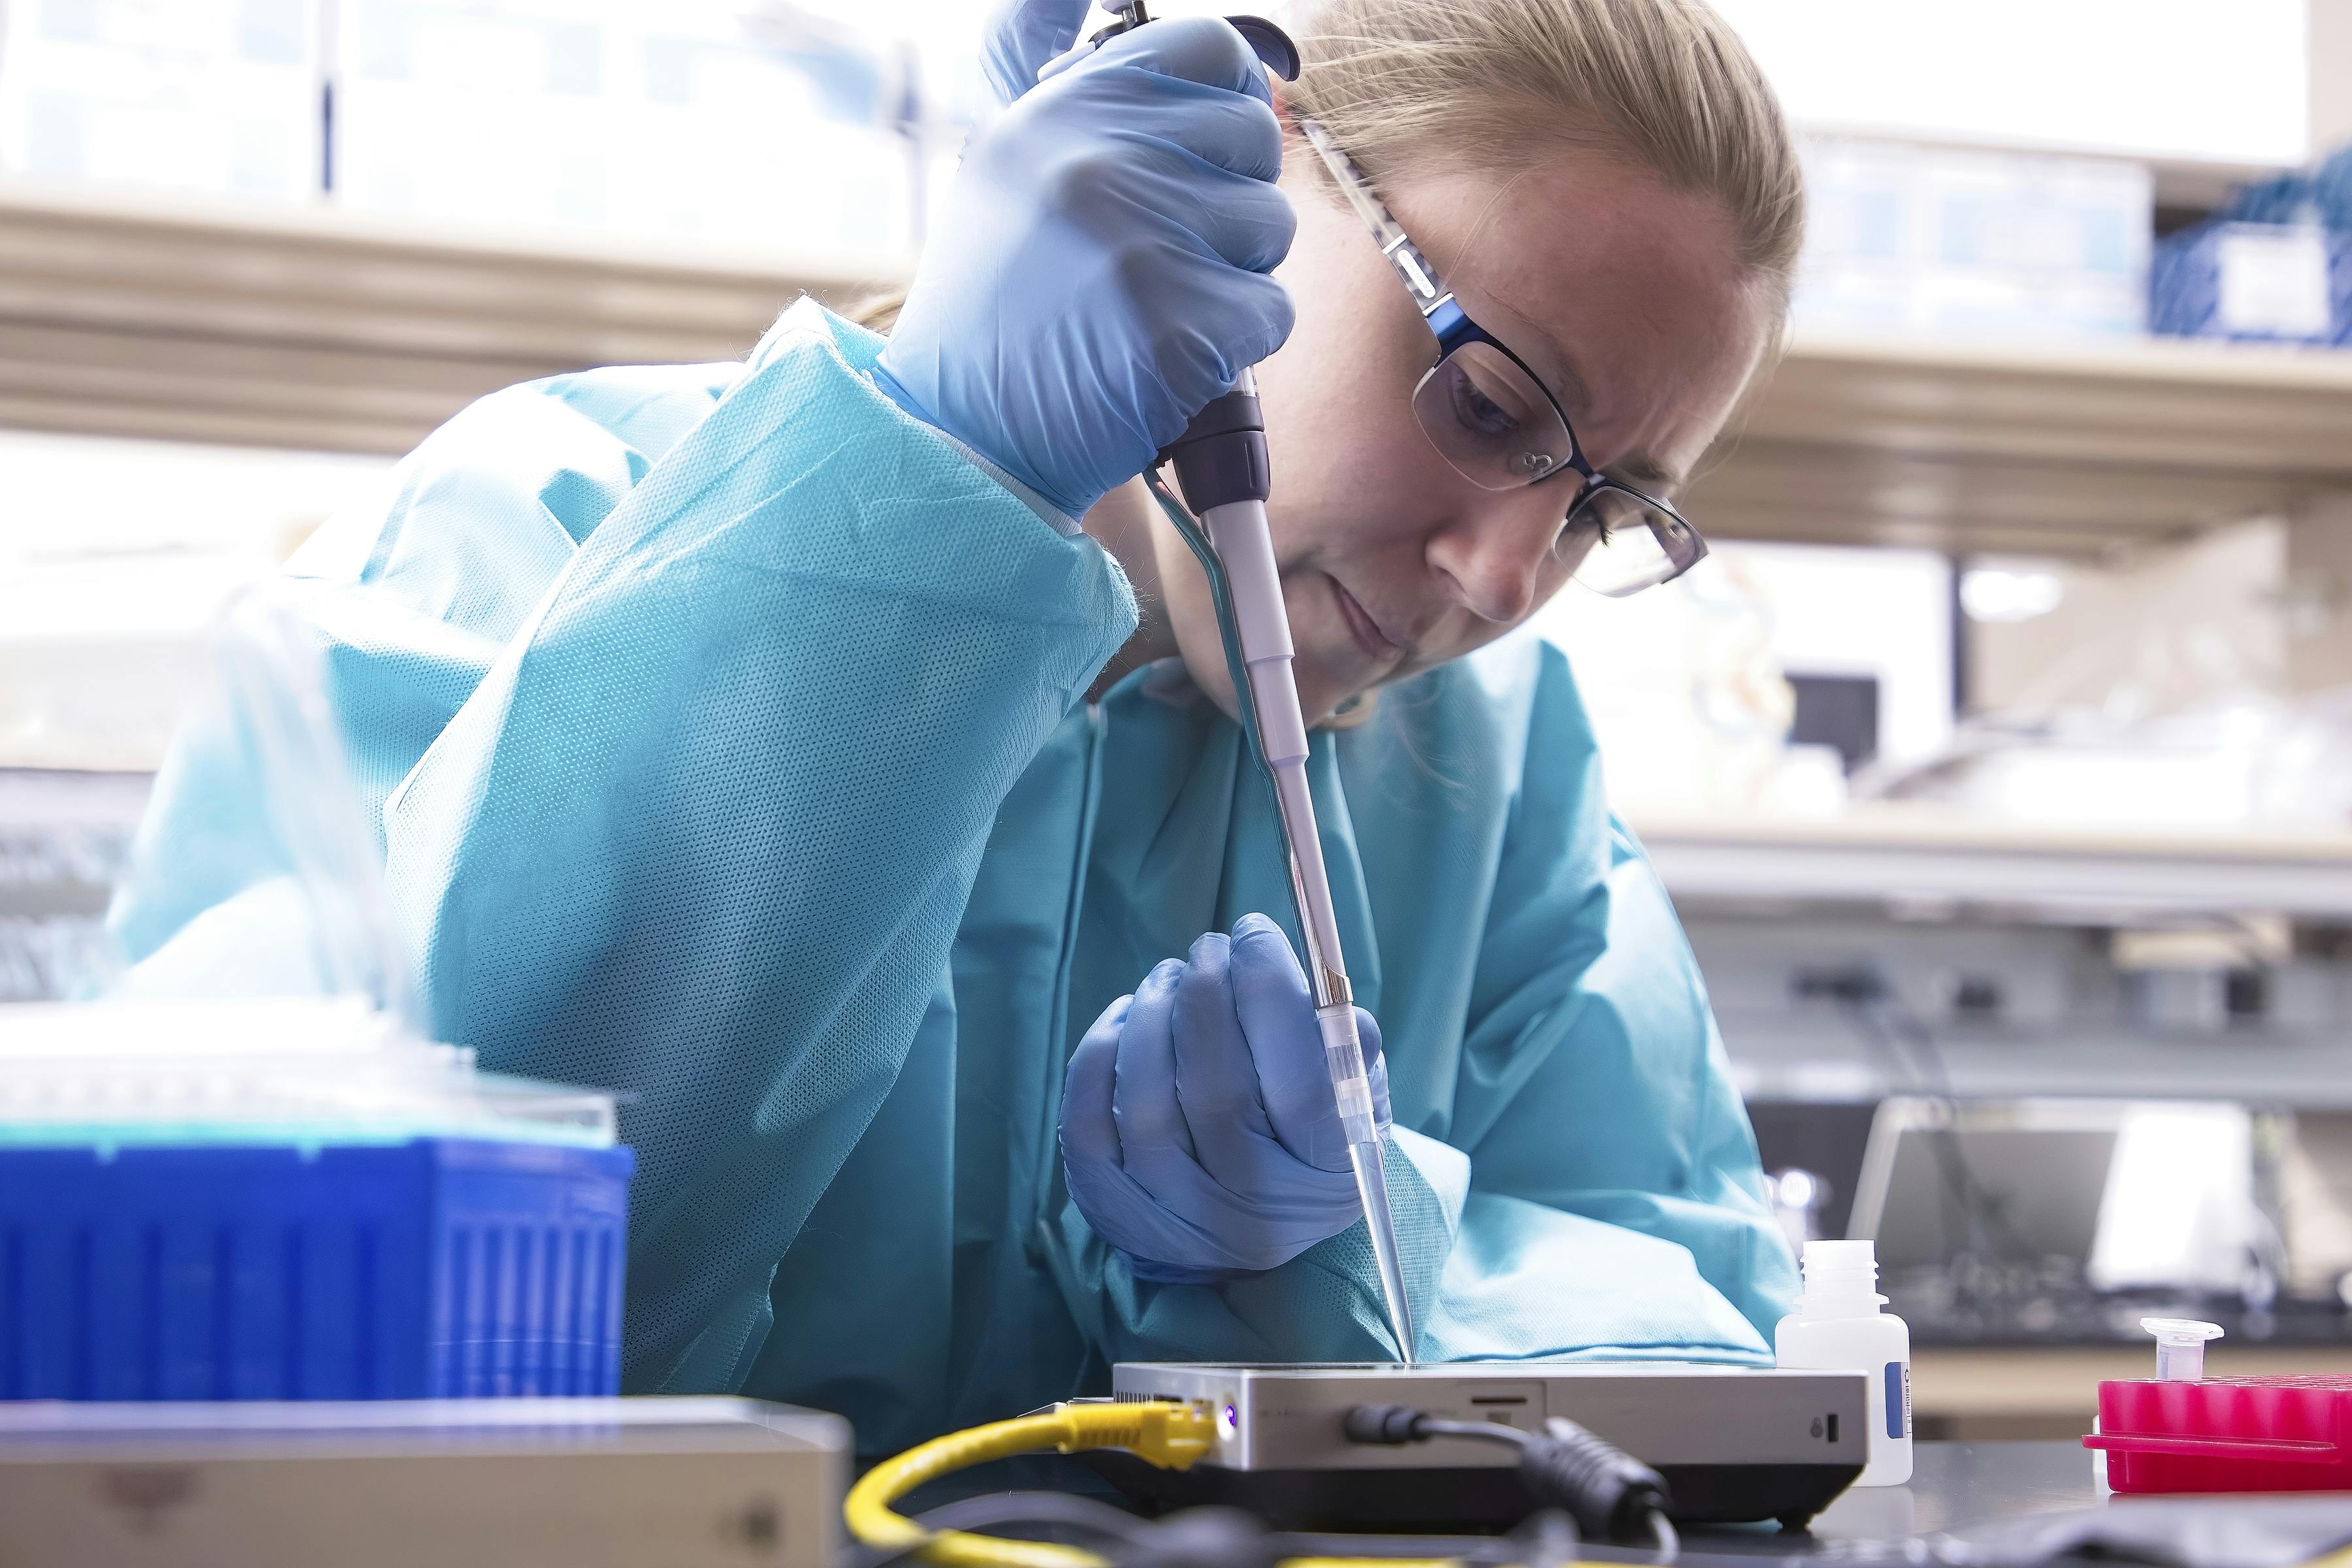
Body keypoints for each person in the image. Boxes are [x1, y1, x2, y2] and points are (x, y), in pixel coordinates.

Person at [112, 0, 1807, 1454]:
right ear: (1255, 170)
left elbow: (1699, 1323)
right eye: (1492, 398)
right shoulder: (548, 518)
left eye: (1603, 511)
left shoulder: (1496, 774)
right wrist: (922, 493)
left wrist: (1347, 1264)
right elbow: (273, 1300)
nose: (1507, 577)